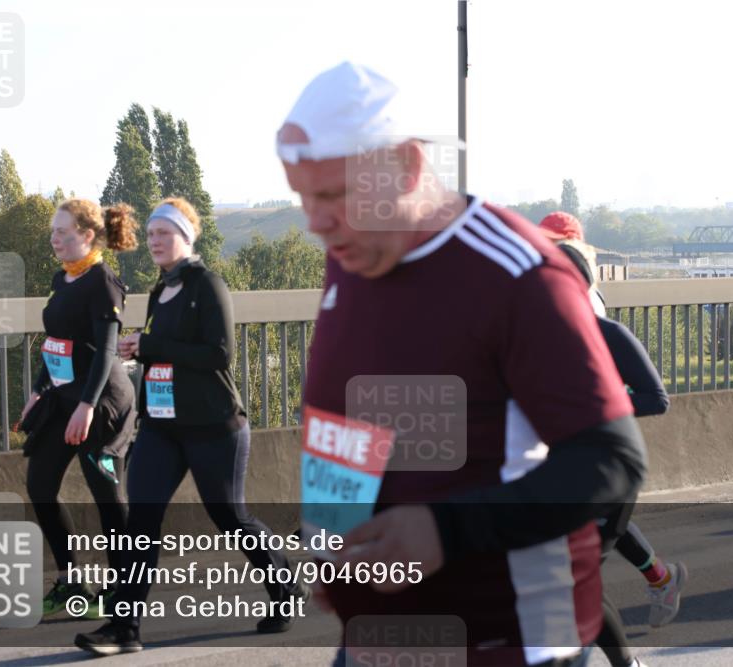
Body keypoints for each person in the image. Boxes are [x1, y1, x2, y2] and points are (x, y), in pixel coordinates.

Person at [277, 62, 647, 667]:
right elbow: (347, 405)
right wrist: (329, 537)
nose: (315, 222)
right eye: (304, 198)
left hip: (515, 642)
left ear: (408, 166)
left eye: (334, 196)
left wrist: (445, 531)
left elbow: (613, 460)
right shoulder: (355, 250)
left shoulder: (520, 275)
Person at [74, 197, 308, 657]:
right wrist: (141, 351)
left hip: (214, 425)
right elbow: (165, 352)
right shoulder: (160, 291)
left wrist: (153, 343)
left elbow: (219, 354)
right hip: (163, 427)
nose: (155, 241)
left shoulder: (208, 284)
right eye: (152, 234)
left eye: (165, 232)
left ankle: (287, 586)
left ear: (186, 236)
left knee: (230, 517)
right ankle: (123, 629)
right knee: (140, 521)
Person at [539, 213, 688, 632]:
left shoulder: (595, 313)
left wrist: (596, 404)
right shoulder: (537, 314)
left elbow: (654, 397)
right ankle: (661, 579)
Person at [20, 198, 138, 619]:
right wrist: (38, 388)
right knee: (40, 485)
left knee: (108, 495)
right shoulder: (63, 278)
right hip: (63, 397)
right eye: (53, 231)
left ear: (86, 236)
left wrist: (87, 407)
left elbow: (106, 352)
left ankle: (125, 588)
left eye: (62, 232)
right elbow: (56, 342)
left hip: (100, 402)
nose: (53, 239)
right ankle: (73, 582)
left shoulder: (102, 281)